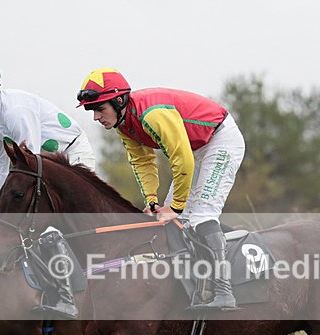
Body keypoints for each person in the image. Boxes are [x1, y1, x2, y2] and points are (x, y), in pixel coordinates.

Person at [76, 69, 245, 311]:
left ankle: (224, 291)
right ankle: (195, 286)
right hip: (198, 148)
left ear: (119, 101)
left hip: (220, 140)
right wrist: (153, 199)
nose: (95, 117)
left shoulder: (152, 116)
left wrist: (175, 206)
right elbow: (142, 162)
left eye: (100, 109)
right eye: (92, 110)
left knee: (201, 215)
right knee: (173, 222)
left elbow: (182, 160)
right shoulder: (124, 125)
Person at [0, 54, 95, 319]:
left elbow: (32, 164)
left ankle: (67, 297)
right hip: (43, 165)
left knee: (44, 223)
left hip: (71, 157)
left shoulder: (15, 113)